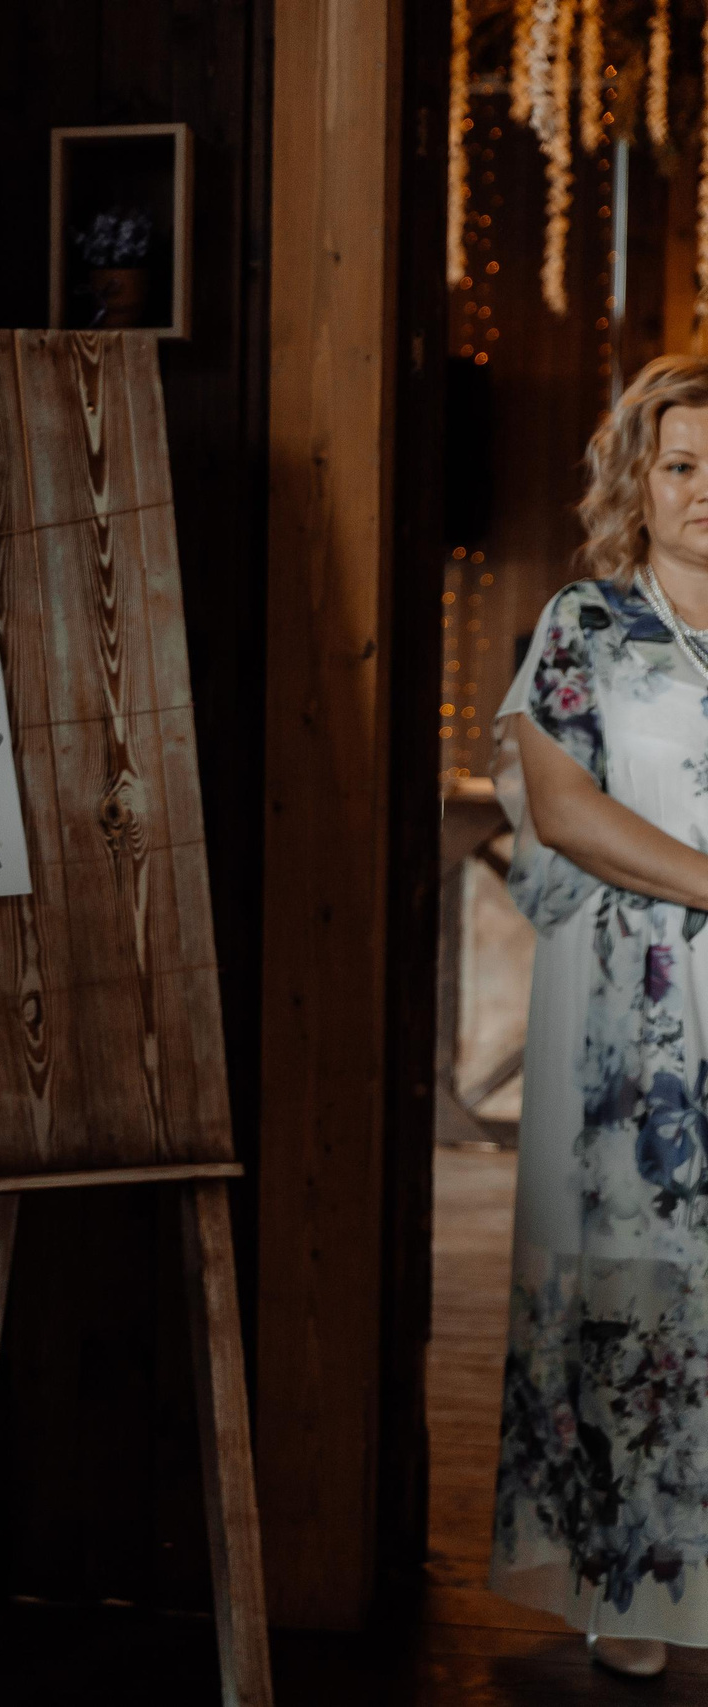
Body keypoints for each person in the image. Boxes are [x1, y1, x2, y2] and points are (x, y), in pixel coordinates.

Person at [490, 353, 708, 1678]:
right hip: (638, 1032)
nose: (704, 494)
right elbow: (566, 808)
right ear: (641, 478)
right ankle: (631, 1586)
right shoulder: (588, 625)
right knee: (640, 1287)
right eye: (682, 466)